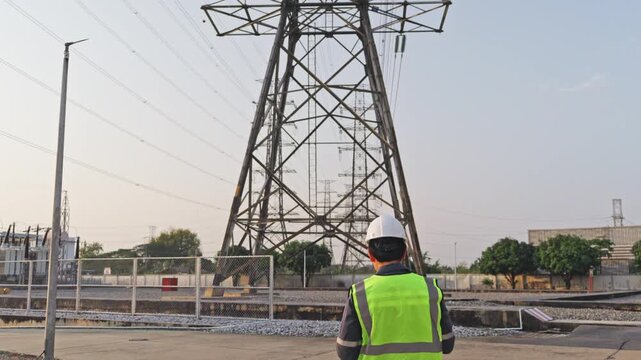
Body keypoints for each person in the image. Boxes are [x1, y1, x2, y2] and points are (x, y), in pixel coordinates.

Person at [336, 214, 455, 360]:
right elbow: (448, 345)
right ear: (405, 252)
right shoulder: (430, 289)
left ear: (370, 254)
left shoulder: (360, 294)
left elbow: (346, 352)